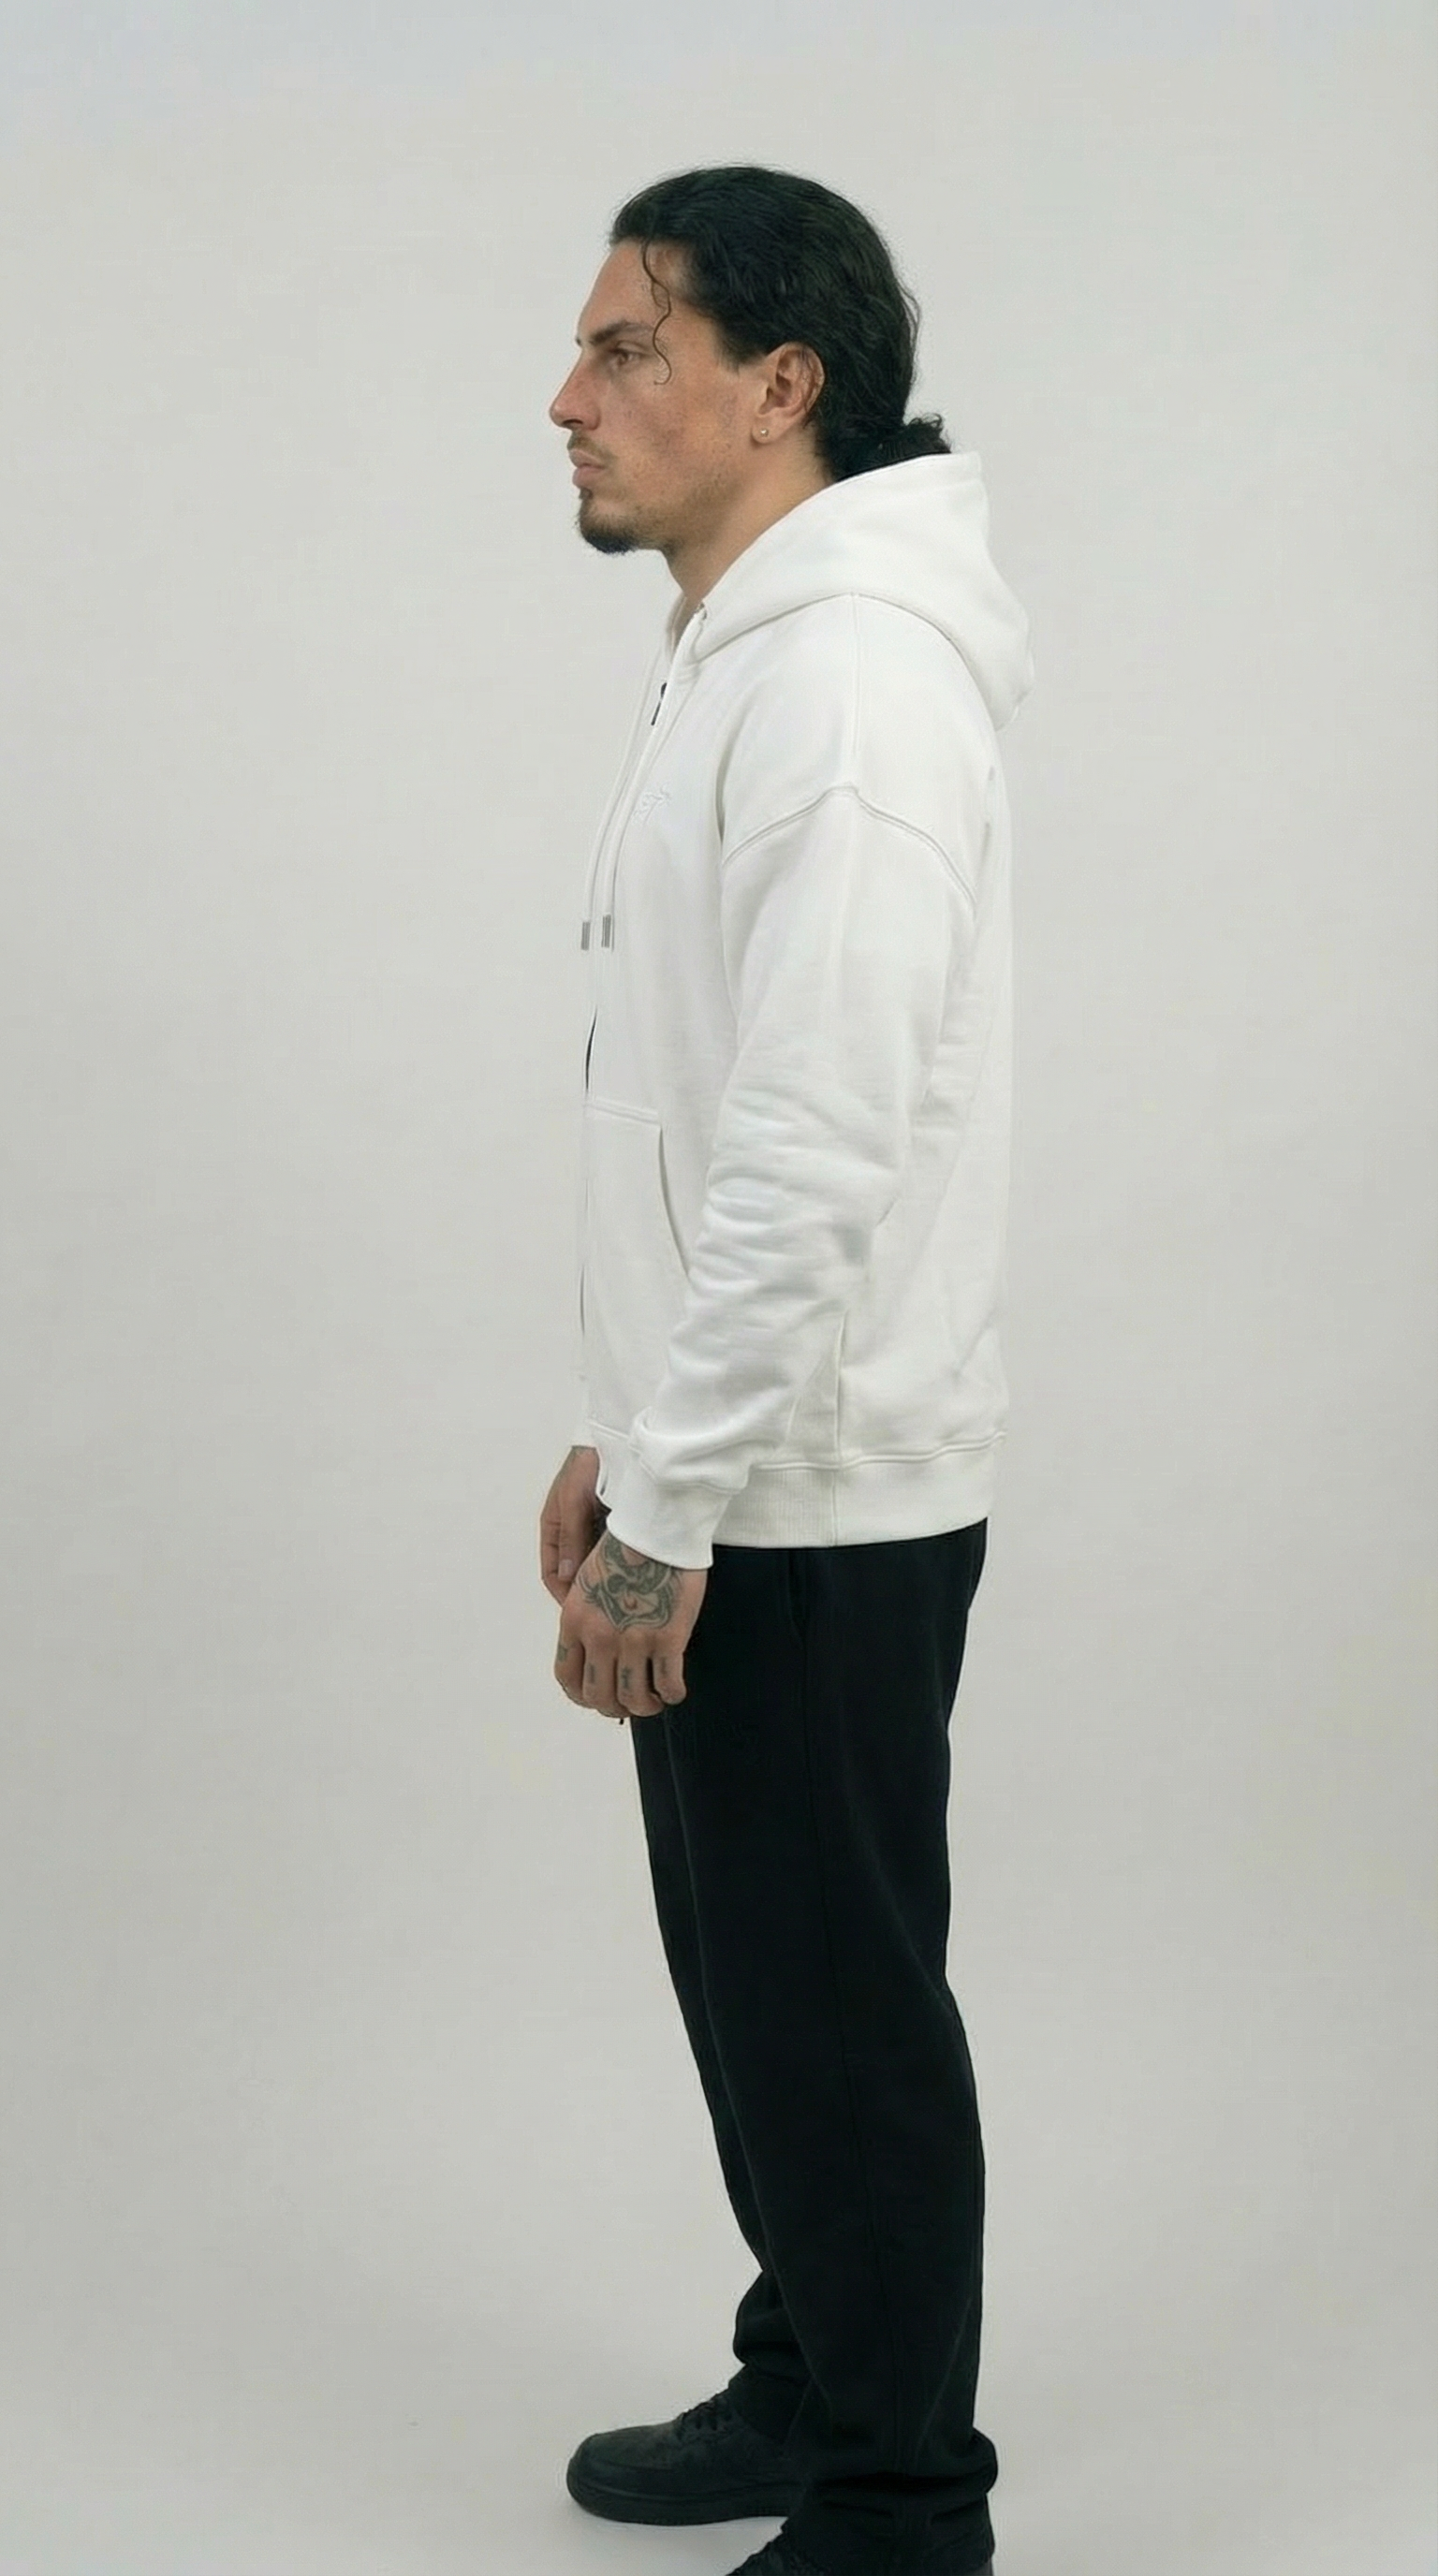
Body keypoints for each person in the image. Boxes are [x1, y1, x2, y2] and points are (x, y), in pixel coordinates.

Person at [537, 163, 1033, 2576]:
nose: (569, 395)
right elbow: (704, 1096)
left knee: (833, 2012)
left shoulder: (847, 685)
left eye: (628, 345)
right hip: (736, 1469)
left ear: (781, 385)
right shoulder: (753, 647)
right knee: (767, 1990)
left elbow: (818, 1147)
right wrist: (632, 1437)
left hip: (807, 1498)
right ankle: (820, 2375)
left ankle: (900, 2501)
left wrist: (677, 1501)